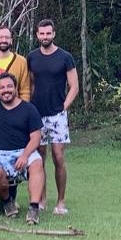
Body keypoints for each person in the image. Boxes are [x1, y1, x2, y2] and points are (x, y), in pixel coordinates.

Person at [27, 18, 79, 215]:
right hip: (37, 114)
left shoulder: (65, 57)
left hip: (57, 116)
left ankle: (61, 201)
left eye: (48, 33)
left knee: (58, 157)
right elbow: (30, 84)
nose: (45, 37)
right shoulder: (32, 57)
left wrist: (64, 106)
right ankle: (41, 199)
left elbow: (74, 86)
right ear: (37, 35)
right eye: (42, 34)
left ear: (54, 34)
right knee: (39, 158)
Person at [0, 72, 45, 225]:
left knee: (37, 163)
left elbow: (36, 138)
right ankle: (7, 200)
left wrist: (25, 155)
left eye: (9, 86)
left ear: (16, 88)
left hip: (22, 150)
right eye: (2, 88)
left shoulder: (29, 109)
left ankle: (34, 208)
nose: (6, 90)